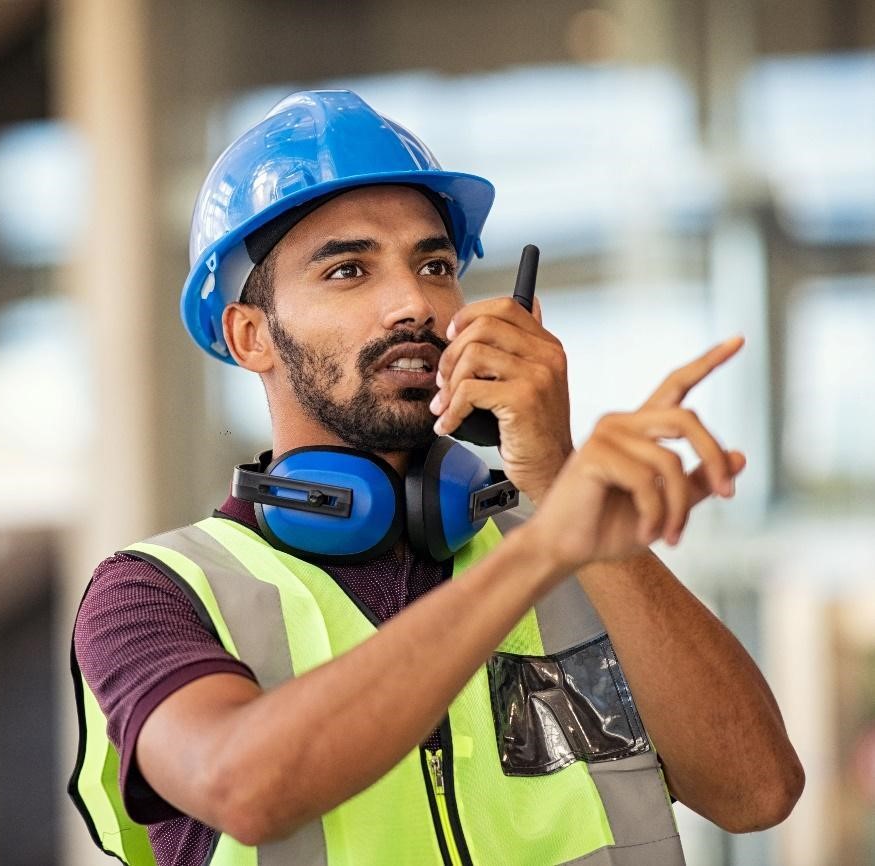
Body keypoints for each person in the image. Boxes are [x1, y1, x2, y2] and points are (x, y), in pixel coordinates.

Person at [69, 89, 803, 866]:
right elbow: (246, 786)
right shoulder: (154, 592)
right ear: (251, 336)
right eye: (348, 270)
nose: (412, 303)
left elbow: (754, 794)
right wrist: (547, 544)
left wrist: (557, 488)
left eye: (434, 264)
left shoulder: (574, 549)